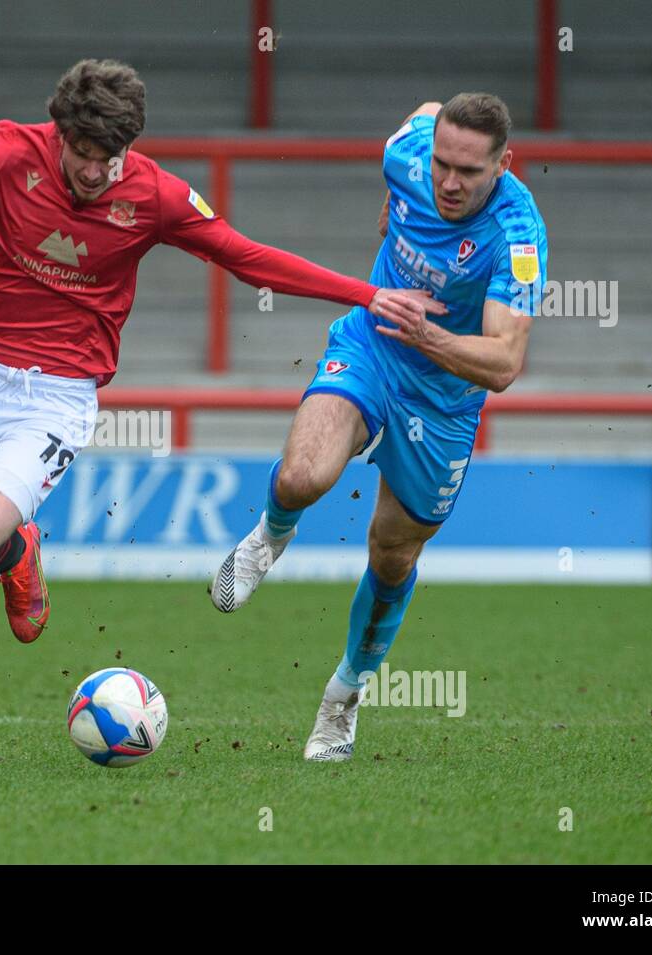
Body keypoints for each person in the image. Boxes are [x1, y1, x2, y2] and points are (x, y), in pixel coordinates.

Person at [0, 58, 441, 766]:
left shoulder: (155, 194)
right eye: (83, 154)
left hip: (57, 391)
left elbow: (245, 256)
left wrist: (365, 293)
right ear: (61, 133)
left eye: (111, 157)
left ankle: (17, 550)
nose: (95, 171)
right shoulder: (8, 149)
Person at [210, 93, 548, 762]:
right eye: (442, 164)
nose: (448, 183)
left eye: (469, 172)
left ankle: (343, 694)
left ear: (504, 165)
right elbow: (424, 110)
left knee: (392, 554)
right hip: (371, 344)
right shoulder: (406, 154)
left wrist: (429, 334)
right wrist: (393, 226)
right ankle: (269, 538)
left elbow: (506, 362)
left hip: (446, 399)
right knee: (306, 474)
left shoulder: (520, 237)